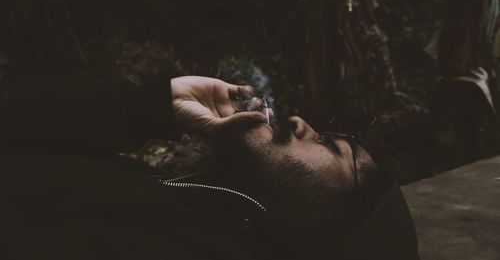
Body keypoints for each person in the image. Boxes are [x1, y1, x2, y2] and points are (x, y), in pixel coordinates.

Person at [0, 75, 419, 260]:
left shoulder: (193, 251)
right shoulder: (200, 211)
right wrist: (142, 108)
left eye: (331, 147)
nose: (297, 122)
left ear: (332, 231)